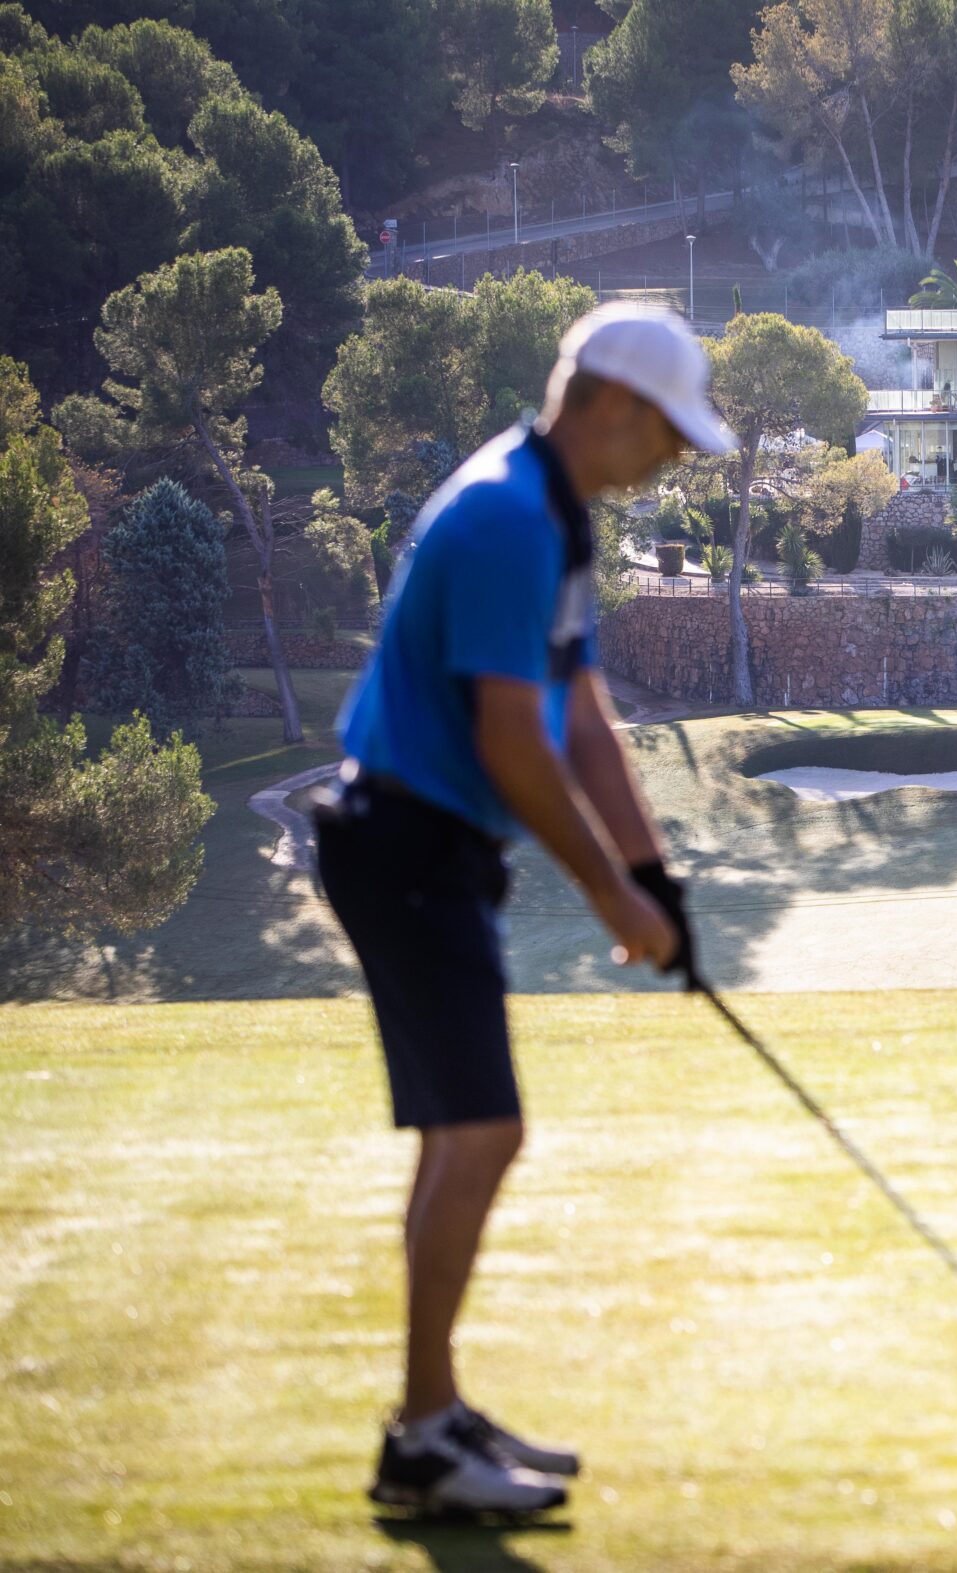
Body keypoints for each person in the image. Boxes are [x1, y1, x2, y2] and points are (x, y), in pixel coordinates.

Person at [314, 304, 735, 1517]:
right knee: (480, 1132)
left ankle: (431, 1416)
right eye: (668, 433)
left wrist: (652, 878)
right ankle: (422, 1440)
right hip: (402, 842)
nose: (672, 460)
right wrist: (608, 892)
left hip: (434, 850)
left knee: (472, 1132)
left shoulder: (553, 516)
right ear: (609, 401)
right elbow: (511, 744)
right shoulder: (505, 514)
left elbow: (580, 709)